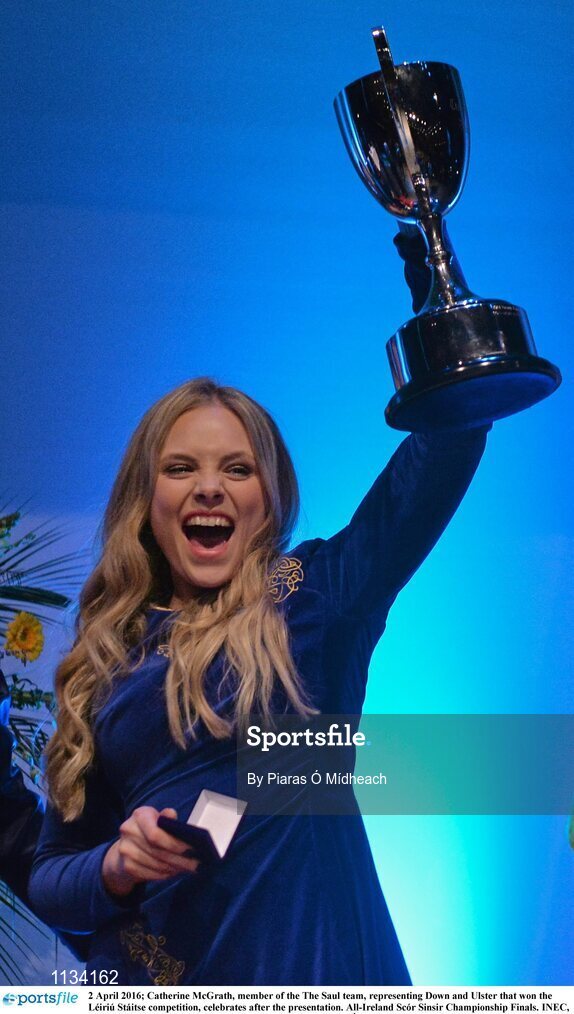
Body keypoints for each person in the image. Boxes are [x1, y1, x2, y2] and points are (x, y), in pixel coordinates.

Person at [29, 233, 490, 986]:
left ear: (267, 499)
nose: (209, 488)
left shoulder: (309, 596)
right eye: (181, 469)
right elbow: (51, 874)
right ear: (146, 504)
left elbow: (446, 447)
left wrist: (446, 309)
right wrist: (114, 864)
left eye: (236, 469)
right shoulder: (105, 665)